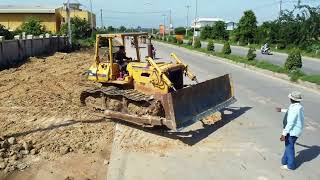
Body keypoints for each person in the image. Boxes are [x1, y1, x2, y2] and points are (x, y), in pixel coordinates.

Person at [276, 91, 304, 170]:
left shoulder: (295, 108)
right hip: (295, 131)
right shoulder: (296, 106)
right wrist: (281, 110)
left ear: (292, 99)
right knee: (288, 146)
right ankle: (284, 161)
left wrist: (283, 134)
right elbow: (289, 111)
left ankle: (290, 166)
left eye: (290, 98)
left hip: (292, 131)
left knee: (289, 147)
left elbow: (290, 123)